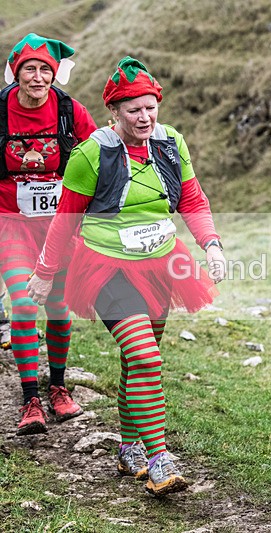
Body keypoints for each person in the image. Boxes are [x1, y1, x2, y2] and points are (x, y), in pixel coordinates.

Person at [28, 56, 226, 496]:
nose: (145, 117)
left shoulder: (172, 143)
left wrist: (210, 244)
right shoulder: (91, 154)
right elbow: (65, 220)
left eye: (151, 107)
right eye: (133, 109)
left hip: (160, 263)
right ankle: (159, 459)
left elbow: (192, 197)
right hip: (105, 266)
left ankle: (130, 445)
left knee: (139, 359)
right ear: (114, 113)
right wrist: (44, 273)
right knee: (147, 358)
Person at [0, 33, 97, 435]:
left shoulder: (69, 111)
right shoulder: (0, 110)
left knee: (58, 307)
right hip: (10, 220)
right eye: (30, 69)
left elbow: (96, 155)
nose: (37, 78)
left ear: (54, 74)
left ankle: (58, 387)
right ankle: (30, 399)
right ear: (16, 72)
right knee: (23, 304)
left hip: (60, 225)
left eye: (45, 70)